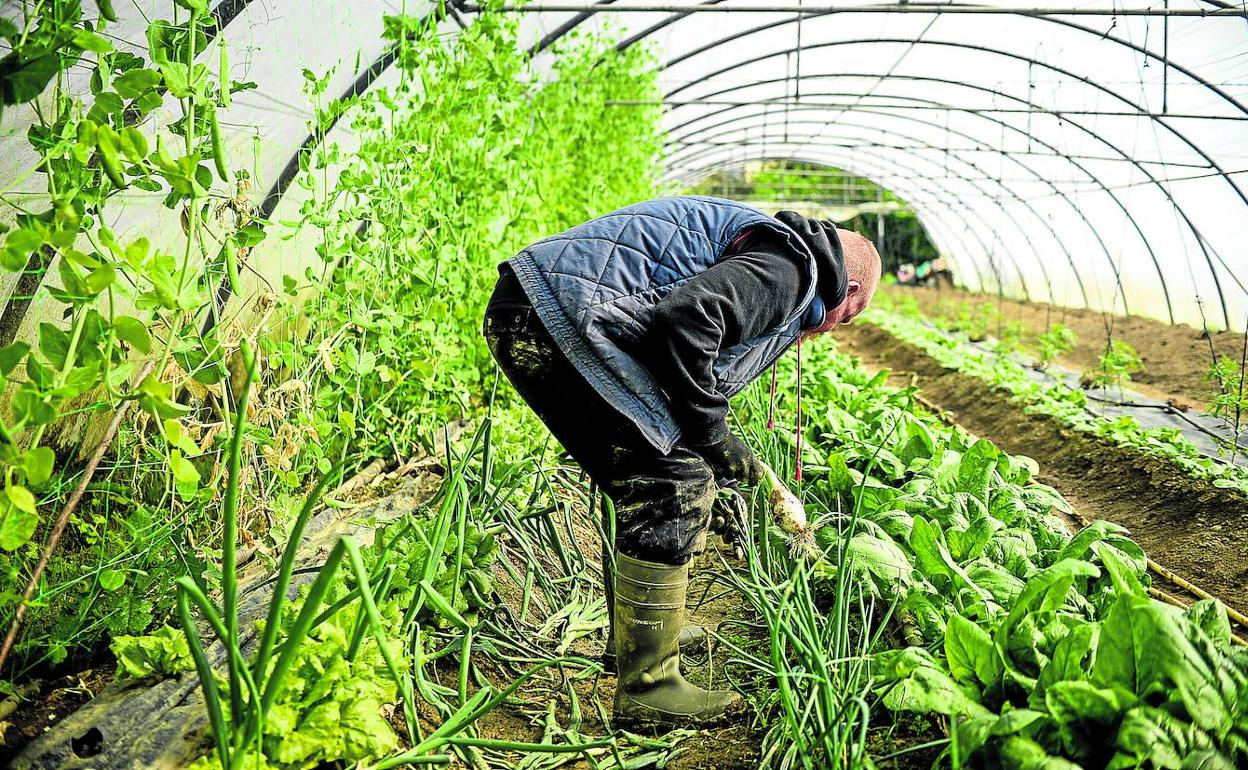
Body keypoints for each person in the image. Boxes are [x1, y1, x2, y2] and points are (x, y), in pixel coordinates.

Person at [482, 196, 882, 729]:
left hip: (537, 306)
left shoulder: (782, 255)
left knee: (652, 474)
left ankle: (636, 636)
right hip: (560, 313)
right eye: (847, 319)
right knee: (674, 484)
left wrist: (714, 452)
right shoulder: (790, 270)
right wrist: (715, 442)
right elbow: (688, 320)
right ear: (848, 291)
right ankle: (649, 684)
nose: (832, 331)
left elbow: (683, 352)